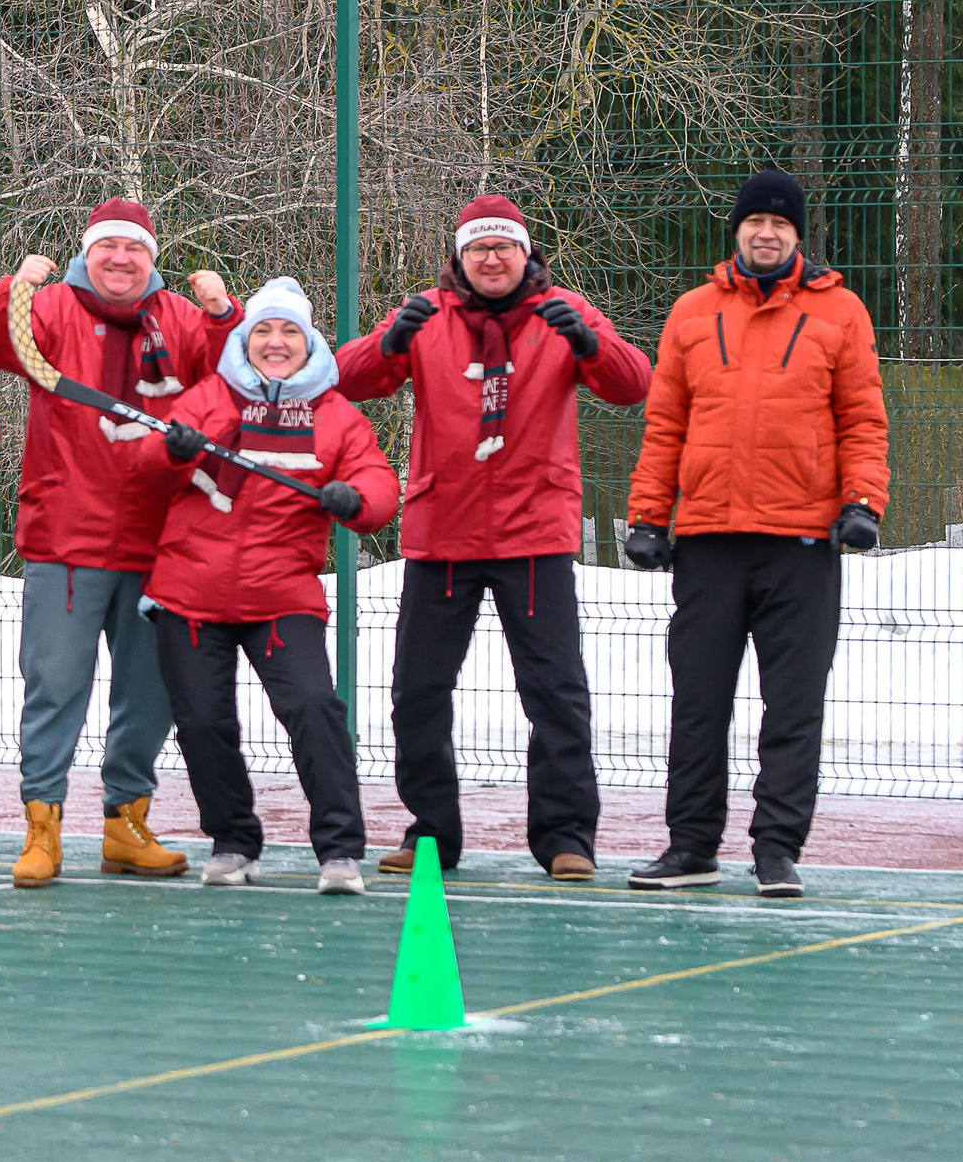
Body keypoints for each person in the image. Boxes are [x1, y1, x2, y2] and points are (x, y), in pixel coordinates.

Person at [337, 194, 651, 882]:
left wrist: (593, 343)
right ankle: (431, 832)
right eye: (478, 248)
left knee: (556, 691)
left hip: (534, 533)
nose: (491, 258)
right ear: (460, 257)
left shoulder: (563, 312)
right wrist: (386, 342)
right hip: (441, 532)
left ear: (525, 251)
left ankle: (567, 835)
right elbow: (345, 379)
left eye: (503, 246)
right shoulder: (425, 313)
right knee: (418, 690)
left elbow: (635, 385)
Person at [623, 168, 888, 899]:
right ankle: (692, 847)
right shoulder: (691, 314)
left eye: (780, 224)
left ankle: (777, 849)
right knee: (699, 702)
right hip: (708, 538)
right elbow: (665, 422)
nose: (766, 233)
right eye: (754, 222)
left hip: (802, 543)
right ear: (735, 230)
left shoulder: (842, 315)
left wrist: (862, 502)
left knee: (793, 705)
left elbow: (862, 419)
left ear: (798, 235)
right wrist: (647, 514)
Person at [0, 197, 240, 888]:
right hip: (66, 538)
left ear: (152, 260)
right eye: (107, 248)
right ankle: (44, 828)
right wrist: (16, 285)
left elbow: (234, 379)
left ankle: (126, 822)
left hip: (160, 541)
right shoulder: (55, 306)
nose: (120, 260)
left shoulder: (179, 320)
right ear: (86, 254)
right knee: (55, 685)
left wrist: (222, 313)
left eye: (135, 250)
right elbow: (0, 344)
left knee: (149, 694)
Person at [147, 278, 397, 893]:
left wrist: (355, 498)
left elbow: (378, 486)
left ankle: (339, 851)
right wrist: (174, 452)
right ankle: (233, 840)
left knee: (314, 709)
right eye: (263, 330)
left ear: (309, 342)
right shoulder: (209, 398)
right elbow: (149, 473)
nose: (275, 342)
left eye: (289, 331)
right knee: (203, 723)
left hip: (282, 593)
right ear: (243, 339)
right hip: (191, 593)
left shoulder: (336, 415)